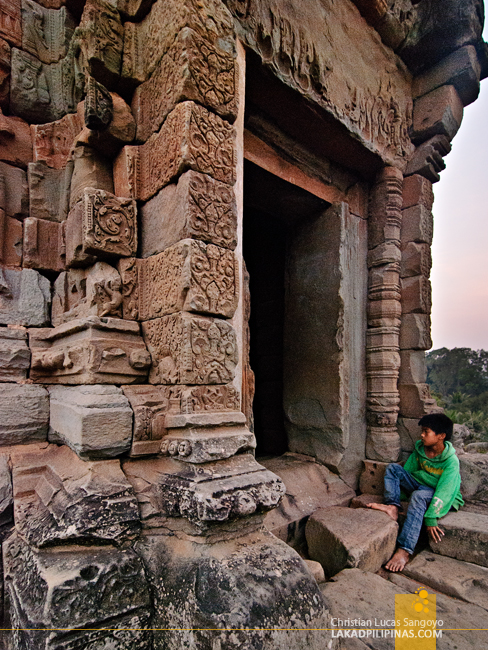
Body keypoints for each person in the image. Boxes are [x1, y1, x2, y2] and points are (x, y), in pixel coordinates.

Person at [368, 413, 464, 572]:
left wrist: (432, 516)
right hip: (420, 484)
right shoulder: (420, 448)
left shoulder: (450, 461)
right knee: (393, 469)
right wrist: (401, 494)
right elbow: (408, 471)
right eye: (423, 431)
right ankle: (392, 506)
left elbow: (446, 490)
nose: (422, 435)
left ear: (441, 436)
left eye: (426, 432)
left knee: (418, 496)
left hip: (436, 492)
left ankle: (404, 550)